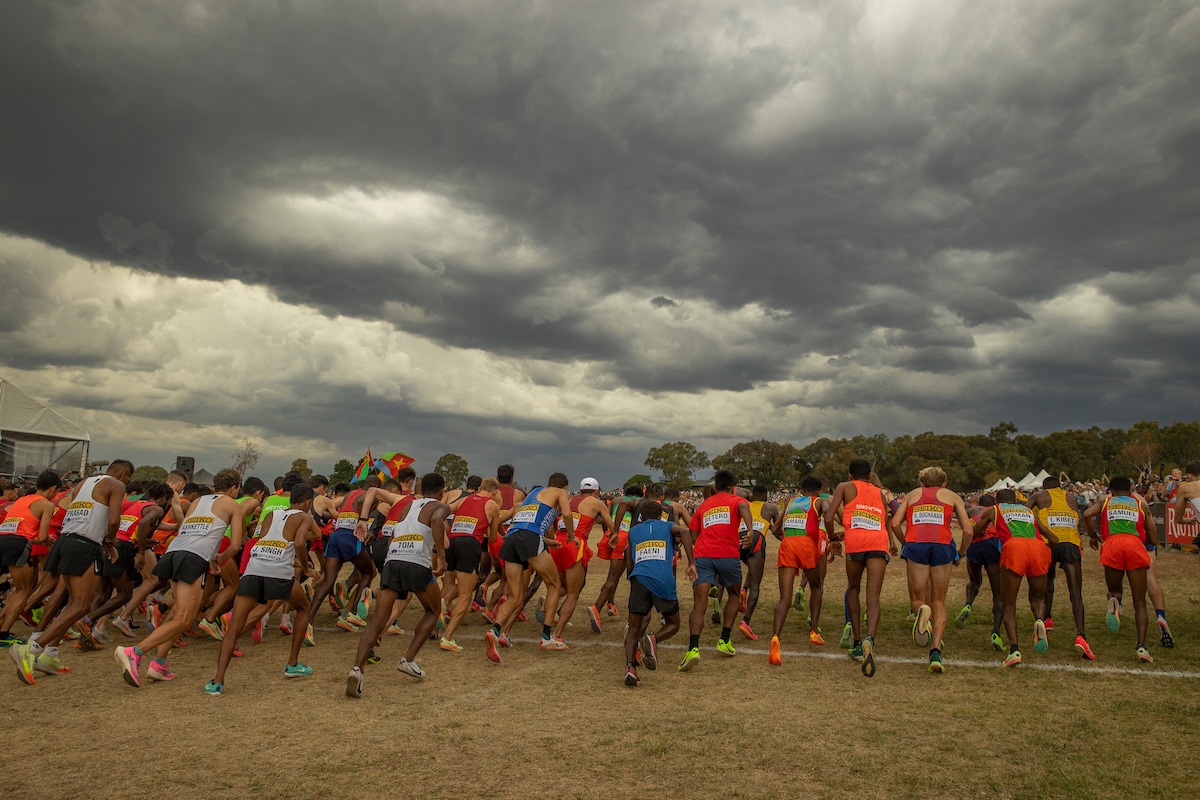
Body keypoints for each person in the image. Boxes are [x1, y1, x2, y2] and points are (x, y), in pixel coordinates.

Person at [113, 468, 245, 688]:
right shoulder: (232, 504)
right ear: (233, 488)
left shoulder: (197, 501)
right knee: (184, 618)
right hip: (192, 558)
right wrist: (219, 557)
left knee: (184, 612)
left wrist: (211, 557)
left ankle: (160, 663)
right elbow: (235, 544)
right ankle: (134, 653)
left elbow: (188, 528)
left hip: (175, 553)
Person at [10, 461, 132, 685]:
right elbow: (114, 519)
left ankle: (51, 654)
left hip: (66, 540)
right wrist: (111, 540)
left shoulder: (83, 483)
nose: (127, 484)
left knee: (66, 598)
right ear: (124, 474)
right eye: (128, 479)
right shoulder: (116, 484)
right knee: (81, 605)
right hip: (84, 545)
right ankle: (32, 649)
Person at [204, 483, 320, 695]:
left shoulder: (270, 516)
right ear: (307, 502)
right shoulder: (304, 517)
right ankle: (292, 663)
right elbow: (302, 543)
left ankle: (217, 681)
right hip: (278, 573)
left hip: (254, 569)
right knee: (304, 608)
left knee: (234, 628)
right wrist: (306, 567)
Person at [346, 473, 449, 697]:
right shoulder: (440, 505)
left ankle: (357, 670)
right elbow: (438, 521)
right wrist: (440, 557)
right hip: (416, 562)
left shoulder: (407, 506)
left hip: (393, 560)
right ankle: (408, 659)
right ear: (441, 490)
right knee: (433, 610)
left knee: (378, 620)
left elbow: (394, 532)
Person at [889, 466, 973, 673]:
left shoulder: (912, 495)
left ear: (921, 482)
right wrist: (961, 554)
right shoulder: (952, 496)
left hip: (916, 544)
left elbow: (894, 523)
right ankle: (935, 651)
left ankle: (922, 614)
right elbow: (968, 530)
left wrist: (905, 543)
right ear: (944, 483)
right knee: (939, 601)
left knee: (918, 600)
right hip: (943, 546)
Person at [483, 474, 574, 662]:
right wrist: (572, 536)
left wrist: (547, 541)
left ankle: (495, 630)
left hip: (512, 538)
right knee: (554, 585)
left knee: (515, 595)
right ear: (564, 487)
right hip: (530, 538)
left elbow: (526, 522)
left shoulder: (533, 493)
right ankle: (547, 637)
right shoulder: (560, 493)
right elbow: (566, 514)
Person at [824, 458, 899, 678]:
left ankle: (857, 642)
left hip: (856, 544)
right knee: (873, 597)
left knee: (853, 589)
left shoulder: (845, 487)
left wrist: (833, 539)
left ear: (849, 475)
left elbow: (829, 516)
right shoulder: (880, 493)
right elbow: (880, 519)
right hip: (878, 543)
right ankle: (870, 640)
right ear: (869, 475)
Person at [971, 489, 1059, 667]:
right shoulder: (1028, 511)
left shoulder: (994, 510)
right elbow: (1053, 538)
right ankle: (1040, 620)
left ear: (998, 500)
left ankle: (1014, 650)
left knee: (1009, 602)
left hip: (1014, 547)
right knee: (1037, 598)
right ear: (1016, 500)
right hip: (1038, 547)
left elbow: (975, 532)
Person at [678, 470, 753, 671]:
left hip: (703, 556)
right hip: (728, 555)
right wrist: (750, 529)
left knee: (699, 605)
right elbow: (745, 505)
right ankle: (724, 640)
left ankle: (693, 649)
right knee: (735, 594)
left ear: (715, 487)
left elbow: (693, 532)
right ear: (732, 487)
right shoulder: (736, 500)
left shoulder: (704, 504)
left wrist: (702, 543)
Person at [622, 498, 696, 687]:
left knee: (633, 628)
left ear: (640, 516)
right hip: (663, 579)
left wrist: (632, 577)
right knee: (673, 624)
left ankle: (630, 668)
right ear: (660, 515)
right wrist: (691, 563)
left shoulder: (633, 532)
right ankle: (653, 639)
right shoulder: (668, 526)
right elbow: (685, 532)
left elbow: (629, 561)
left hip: (639, 579)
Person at [1084, 476, 1157, 663]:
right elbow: (1154, 538)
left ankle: (1115, 601)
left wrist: (1092, 535)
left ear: (1111, 491)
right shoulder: (1141, 505)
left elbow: (1086, 515)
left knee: (1115, 590)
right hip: (1134, 545)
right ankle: (1142, 646)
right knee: (1140, 601)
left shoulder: (1106, 501)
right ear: (1131, 491)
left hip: (1113, 544)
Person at [1026, 476, 1092, 658]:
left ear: (1043, 487)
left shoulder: (1039, 495)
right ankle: (1081, 636)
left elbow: (1023, 512)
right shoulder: (1071, 497)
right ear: (1060, 486)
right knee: (1076, 593)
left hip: (1048, 542)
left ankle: (1045, 619)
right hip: (1070, 542)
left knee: (1046, 581)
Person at [768, 477, 828, 664]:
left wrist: (787, 540)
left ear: (802, 489)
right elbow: (828, 511)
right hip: (807, 545)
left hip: (787, 545)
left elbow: (775, 529)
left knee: (784, 598)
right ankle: (814, 631)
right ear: (818, 490)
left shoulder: (791, 502)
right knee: (816, 586)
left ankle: (776, 637)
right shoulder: (818, 501)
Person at [547, 477, 613, 645]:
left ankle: (547, 630)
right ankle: (556, 635)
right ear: (597, 492)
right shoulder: (597, 503)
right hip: (575, 545)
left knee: (559, 588)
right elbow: (612, 526)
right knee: (573, 594)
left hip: (557, 544)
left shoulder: (569, 499)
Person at [0, 471, 61, 648]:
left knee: (17, 588)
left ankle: (3, 627)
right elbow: (41, 537)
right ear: (53, 488)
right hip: (18, 543)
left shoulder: (21, 500)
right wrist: (39, 538)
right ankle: (3, 634)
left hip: (2, 538)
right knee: (23, 590)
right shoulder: (46, 504)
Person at [439, 476, 500, 651]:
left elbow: (441, 512)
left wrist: (446, 530)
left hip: (452, 541)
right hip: (470, 544)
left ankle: (444, 603)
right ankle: (448, 637)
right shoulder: (492, 505)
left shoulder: (464, 498)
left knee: (464, 582)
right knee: (466, 595)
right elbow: (493, 537)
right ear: (494, 492)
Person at [955, 494, 1006, 652]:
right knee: (998, 592)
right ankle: (996, 632)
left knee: (974, 581)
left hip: (974, 545)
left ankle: (968, 604)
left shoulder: (971, 510)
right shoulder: (996, 511)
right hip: (991, 543)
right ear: (993, 503)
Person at [591, 485, 643, 625]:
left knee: (614, 573)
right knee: (614, 576)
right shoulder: (637, 502)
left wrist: (608, 532)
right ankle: (596, 608)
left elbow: (604, 517)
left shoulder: (615, 501)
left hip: (610, 535)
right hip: (624, 538)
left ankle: (611, 604)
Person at [736, 485, 776, 641]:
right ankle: (746, 621)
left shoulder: (743, 504)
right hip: (756, 539)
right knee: (756, 583)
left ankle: (741, 591)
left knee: (750, 571)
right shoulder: (770, 508)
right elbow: (778, 529)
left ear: (752, 497)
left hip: (739, 538)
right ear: (766, 496)